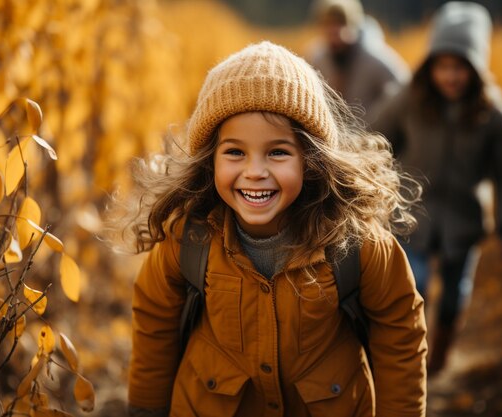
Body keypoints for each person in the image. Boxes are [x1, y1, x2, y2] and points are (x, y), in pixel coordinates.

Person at [115, 41, 427, 416]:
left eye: (278, 152)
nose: (255, 171)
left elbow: (400, 332)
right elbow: (155, 323)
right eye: (235, 152)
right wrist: (145, 410)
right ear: (209, 159)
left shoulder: (354, 243)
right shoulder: (189, 240)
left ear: (311, 160)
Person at [371, 2, 502, 375]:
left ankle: (439, 358)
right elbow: (376, 136)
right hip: (413, 214)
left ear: (475, 69)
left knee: (455, 295)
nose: (450, 76)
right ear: (431, 67)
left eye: (459, 67)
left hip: (463, 219)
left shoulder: (492, 112)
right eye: (443, 66)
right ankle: (411, 357)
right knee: (414, 287)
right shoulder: (409, 99)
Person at [307, 0, 410, 122]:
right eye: (328, 24)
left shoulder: (376, 58)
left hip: (371, 137)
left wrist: (377, 122)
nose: (335, 32)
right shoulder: (318, 58)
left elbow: (404, 93)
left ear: (354, 24)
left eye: (340, 23)